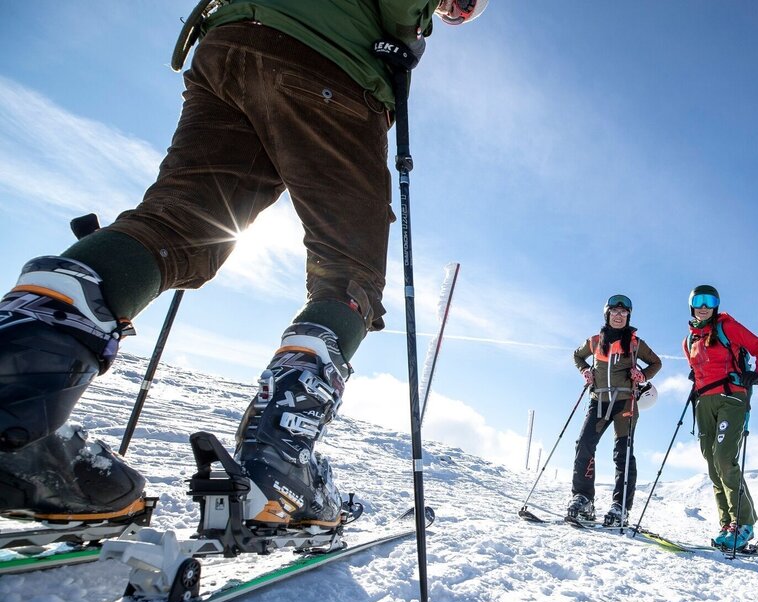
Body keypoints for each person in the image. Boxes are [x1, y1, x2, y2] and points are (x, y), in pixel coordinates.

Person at [0, 1, 489, 529]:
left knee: (176, 225)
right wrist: (409, 28)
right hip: (331, 66)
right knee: (349, 274)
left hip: (230, 40)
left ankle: (19, 404)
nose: (452, 10)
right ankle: (279, 459)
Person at [683, 284, 758, 550]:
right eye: (698, 301)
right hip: (704, 403)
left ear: (716, 305)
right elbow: (698, 367)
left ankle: (744, 523)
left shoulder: (727, 327)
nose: (703, 306)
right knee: (712, 463)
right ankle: (727, 524)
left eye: (709, 301)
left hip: (731, 398)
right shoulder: (689, 341)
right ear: (691, 305)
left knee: (724, 458)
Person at [567, 295, 662, 527]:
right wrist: (585, 370)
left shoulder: (636, 343)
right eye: (614, 312)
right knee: (584, 444)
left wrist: (643, 376)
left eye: (623, 313)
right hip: (598, 401)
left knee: (623, 454)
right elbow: (577, 355)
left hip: (625, 404)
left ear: (629, 316)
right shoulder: (595, 341)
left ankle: (620, 507)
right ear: (607, 315)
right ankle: (584, 499)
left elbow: (656, 363)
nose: (619, 316)